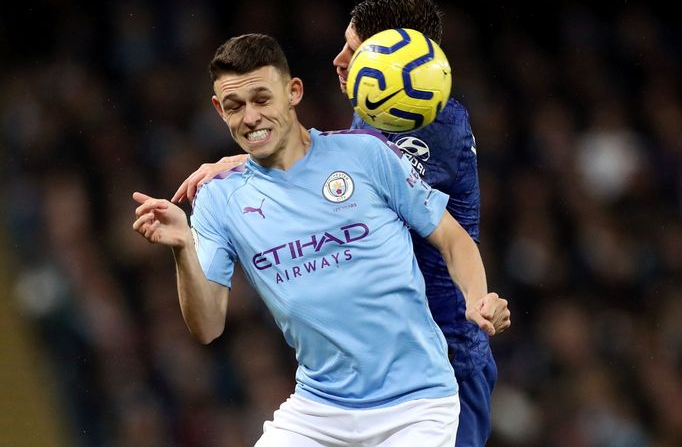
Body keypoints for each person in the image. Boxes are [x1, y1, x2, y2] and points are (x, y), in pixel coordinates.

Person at [134, 32, 509, 446]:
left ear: (293, 92)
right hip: (319, 409)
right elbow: (207, 328)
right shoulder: (219, 198)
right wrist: (184, 248)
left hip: (417, 405)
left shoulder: (366, 155)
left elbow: (453, 239)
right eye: (234, 106)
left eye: (262, 99)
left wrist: (479, 298)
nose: (251, 117)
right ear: (218, 110)